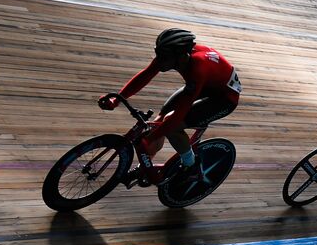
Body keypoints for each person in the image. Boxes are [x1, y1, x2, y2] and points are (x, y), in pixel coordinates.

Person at [102, 28, 241, 184]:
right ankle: (144, 168)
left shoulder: (197, 68)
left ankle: (191, 166)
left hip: (224, 98)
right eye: (158, 55)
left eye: (164, 58)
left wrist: (151, 138)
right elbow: (145, 76)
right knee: (160, 120)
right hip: (208, 84)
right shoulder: (171, 55)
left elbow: (177, 117)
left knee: (172, 126)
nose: (158, 60)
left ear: (181, 57)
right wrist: (117, 99)